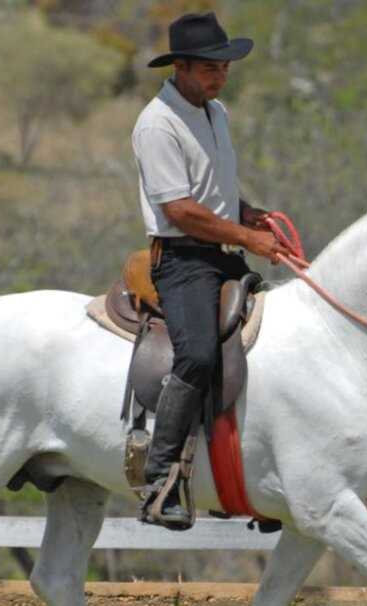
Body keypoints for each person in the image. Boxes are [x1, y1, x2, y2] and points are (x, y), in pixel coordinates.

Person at [131, 11, 289, 529]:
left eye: (224, 66)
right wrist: (247, 237)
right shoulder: (157, 124)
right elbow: (179, 209)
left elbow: (211, 188)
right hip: (182, 261)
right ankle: (161, 479)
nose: (220, 76)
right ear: (179, 66)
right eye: (208, 68)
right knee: (197, 356)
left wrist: (246, 213)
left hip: (220, 251)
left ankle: (261, 473)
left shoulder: (214, 111)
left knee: (279, 341)